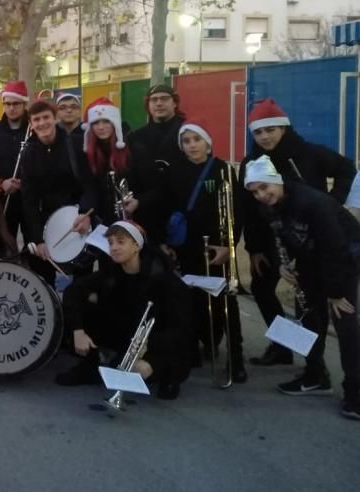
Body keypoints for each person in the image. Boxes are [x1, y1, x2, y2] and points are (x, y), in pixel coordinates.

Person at [240, 98, 358, 368]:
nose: (265, 136)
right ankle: (285, 348)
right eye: (258, 132)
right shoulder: (252, 162)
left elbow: (346, 169)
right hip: (278, 238)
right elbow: (249, 208)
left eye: (270, 129)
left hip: (320, 236)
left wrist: (331, 201)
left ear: (283, 128)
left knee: (318, 304)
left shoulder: (309, 153)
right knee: (263, 288)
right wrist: (255, 248)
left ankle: (323, 371)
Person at [245, 155, 360, 419]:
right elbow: (281, 235)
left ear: (277, 181)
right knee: (309, 315)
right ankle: (316, 375)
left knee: (346, 324)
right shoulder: (269, 205)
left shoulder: (313, 203)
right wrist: (283, 264)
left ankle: (355, 393)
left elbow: (335, 248)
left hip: (344, 259)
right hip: (312, 257)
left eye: (264, 187)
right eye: (254, 191)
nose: (261, 195)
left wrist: (335, 293)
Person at [137, 119, 247, 383]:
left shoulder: (222, 169)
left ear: (207, 144)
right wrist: (164, 241)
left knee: (225, 303)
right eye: (186, 142)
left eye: (196, 140)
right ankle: (196, 348)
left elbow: (236, 212)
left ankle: (236, 358)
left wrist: (228, 247)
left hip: (215, 249)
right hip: (185, 246)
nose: (191, 145)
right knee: (189, 301)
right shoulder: (174, 171)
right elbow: (163, 206)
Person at [56, 221, 192, 400]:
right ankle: (92, 367)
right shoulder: (112, 271)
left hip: (158, 339)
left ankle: (165, 376)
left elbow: (180, 327)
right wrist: (78, 331)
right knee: (88, 304)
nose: (114, 247)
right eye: (111, 242)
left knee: (151, 366)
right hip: (128, 332)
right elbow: (73, 291)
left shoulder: (163, 278)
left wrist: (151, 354)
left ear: (137, 246)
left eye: (121, 242)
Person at [20, 100, 96, 279]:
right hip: (47, 222)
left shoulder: (77, 144)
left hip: (78, 220)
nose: (42, 123)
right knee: (44, 281)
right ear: (31, 124)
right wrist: (38, 239)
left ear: (55, 119)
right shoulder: (29, 154)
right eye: (36, 119)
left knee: (82, 282)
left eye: (46, 117)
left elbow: (90, 184)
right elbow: (29, 200)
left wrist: (86, 214)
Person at [126, 84, 186, 240]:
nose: (159, 103)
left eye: (164, 99)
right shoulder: (136, 138)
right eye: (154, 100)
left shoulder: (189, 132)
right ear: (148, 105)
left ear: (175, 103)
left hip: (182, 211)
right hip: (147, 214)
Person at [0, 81, 30, 237]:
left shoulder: (35, 129)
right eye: (7, 104)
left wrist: (24, 183)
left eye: (16, 103)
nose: (11, 108)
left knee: (32, 244)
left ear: (24, 104)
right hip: (3, 197)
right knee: (4, 242)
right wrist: (1, 182)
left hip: (29, 198)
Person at [82, 97, 133, 227]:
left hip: (134, 218)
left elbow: (152, 187)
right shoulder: (90, 152)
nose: (101, 127)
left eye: (106, 121)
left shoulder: (133, 147)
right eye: (95, 123)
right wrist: (84, 212)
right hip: (103, 221)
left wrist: (139, 202)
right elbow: (90, 187)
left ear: (115, 123)